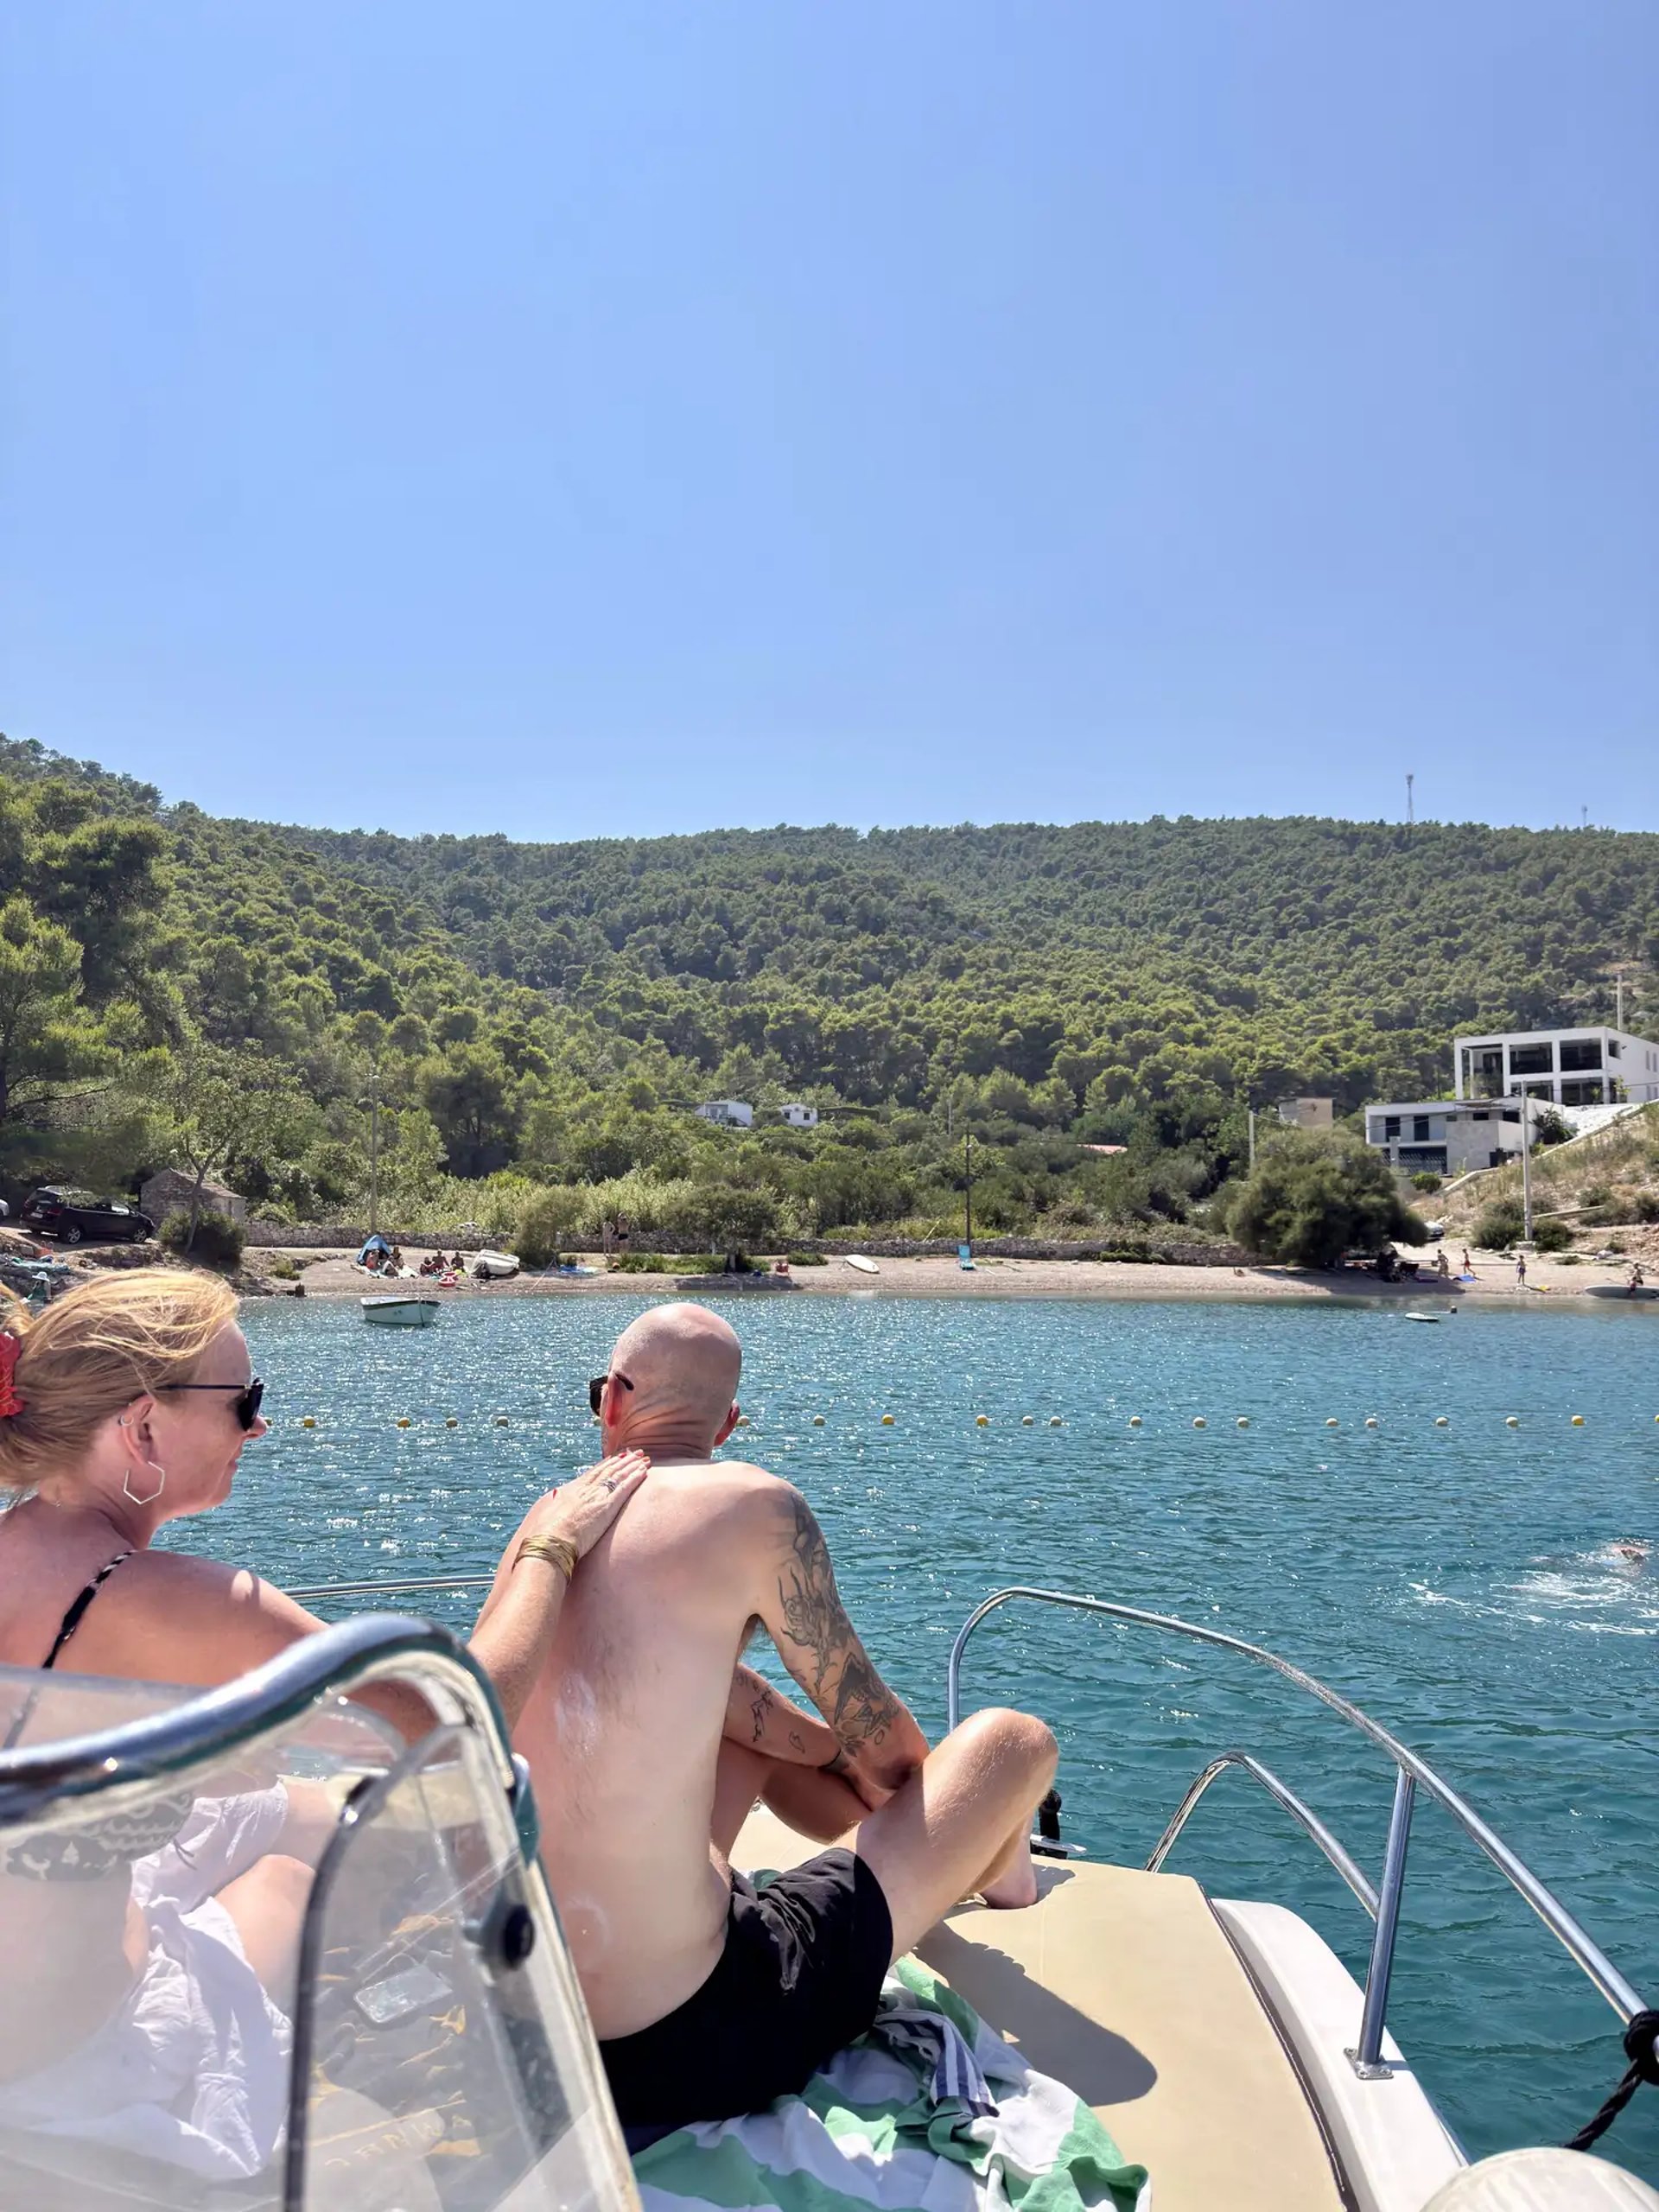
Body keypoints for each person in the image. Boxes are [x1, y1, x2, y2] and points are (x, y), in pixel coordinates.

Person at [505, 1302, 1058, 2133]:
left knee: (759, 1739)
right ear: (728, 1424)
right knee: (1015, 1742)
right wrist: (893, 1785)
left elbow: (731, 1708)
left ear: (611, 1401)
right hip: (687, 2047)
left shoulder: (548, 1525)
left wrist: (820, 1750)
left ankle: (931, 1864)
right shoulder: (758, 1508)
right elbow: (894, 1756)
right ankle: (1005, 1872)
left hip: (536, 2033)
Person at [0, 1270, 646, 1732]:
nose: (258, 1427)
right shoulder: (180, 1602)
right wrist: (551, 1547)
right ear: (142, 1428)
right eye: (243, 1403)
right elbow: (453, 1729)